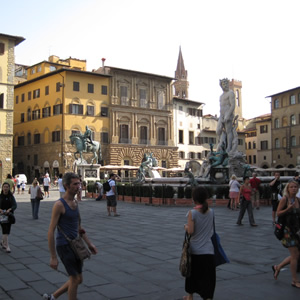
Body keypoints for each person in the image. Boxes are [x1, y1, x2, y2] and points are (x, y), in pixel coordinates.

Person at [43, 172, 97, 300]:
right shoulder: (59, 205)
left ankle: (53, 296)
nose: (79, 186)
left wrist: (89, 244)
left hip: (76, 244)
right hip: (65, 246)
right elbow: (51, 231)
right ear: (67, 186)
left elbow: (79, 227)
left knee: (78, 279)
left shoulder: (75, 202)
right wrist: (53, 257)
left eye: (79, 183)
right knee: (75, 278)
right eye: (75, 184)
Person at [183, 186, 216, 300]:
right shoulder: (211, 212)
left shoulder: (192, 213)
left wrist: (185, 226)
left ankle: (190, 296)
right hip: (209, 251)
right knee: (207, 280)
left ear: (194, 199)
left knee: (192, 277)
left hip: (195, 251)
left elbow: (191, 231)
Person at [272, 180, 300, 288]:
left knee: (297, 255)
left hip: (296, 230)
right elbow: (278, 213)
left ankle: (278, 267)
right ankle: (294, 280)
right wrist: (288, 209)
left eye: (295, 187)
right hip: (287, 231)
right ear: (287, 189)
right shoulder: (284, 199)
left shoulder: (298, 200)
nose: (294, 188)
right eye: (291, 187)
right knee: (294, 255)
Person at [216, 78, 236, 153]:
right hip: (221, 115)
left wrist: (228, 114)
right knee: (218, 130)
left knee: (228, 131)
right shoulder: (221, 96)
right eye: (224, 84)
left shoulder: (230, 93)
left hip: (228, 114)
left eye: (226, 84)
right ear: (221, 86)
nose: (225, 85)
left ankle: (229, 147)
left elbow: (233, 105)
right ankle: (221, 144)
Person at [0, 182, 17, 253]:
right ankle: (7, 246)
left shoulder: (11, 196)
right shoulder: (0, 196)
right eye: (4, 187)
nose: (5, 188)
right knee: (5, 230)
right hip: (1, 215)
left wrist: (9, 209)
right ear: (2, 188)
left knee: (7, 230)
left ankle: (3, 242)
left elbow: (14, 205)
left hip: (8, 215)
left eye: (7, 187)